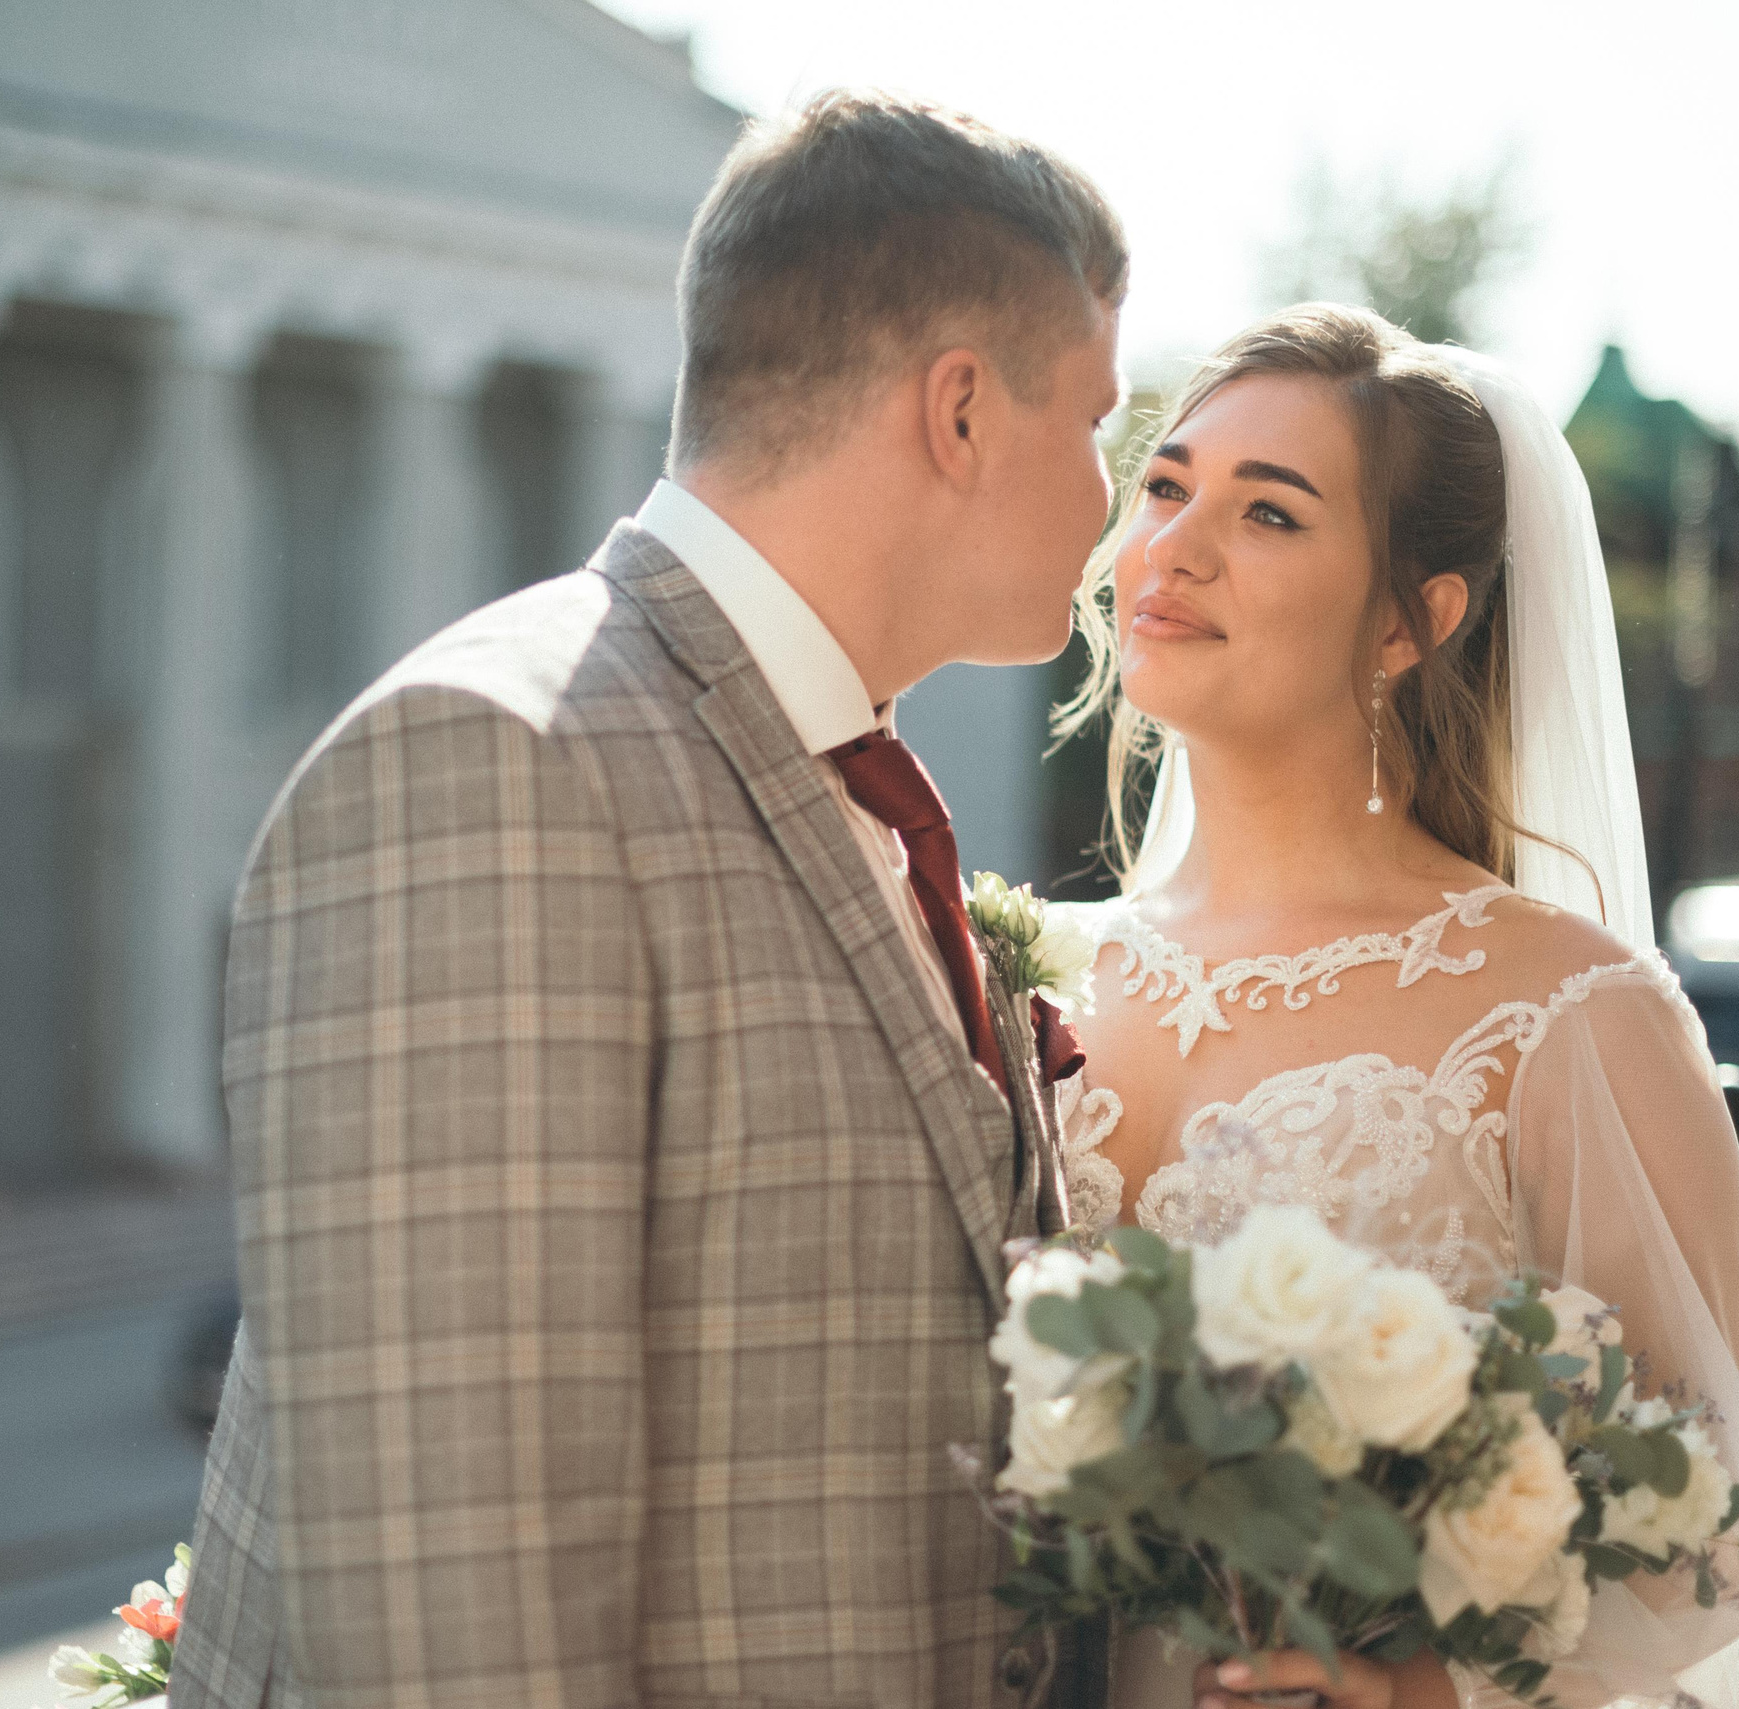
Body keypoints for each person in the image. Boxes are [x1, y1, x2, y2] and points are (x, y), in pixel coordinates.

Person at [169, 91, 1129, 1707]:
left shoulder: (853, 781)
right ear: (959, 411)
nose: (1115, 501)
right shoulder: (498, 762)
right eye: (1101, 421)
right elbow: (449, 1629)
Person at [1037, 303, 1739, 1709]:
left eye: (1269, 515)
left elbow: (1706, 1537)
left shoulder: (1570, 1011)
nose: (1176, 547)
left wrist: (1422, 1692)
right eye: (1166, 484)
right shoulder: (1033, 971)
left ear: (1411, 617)